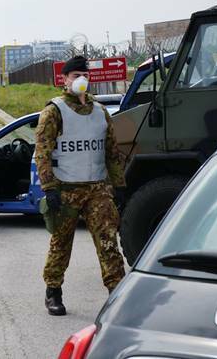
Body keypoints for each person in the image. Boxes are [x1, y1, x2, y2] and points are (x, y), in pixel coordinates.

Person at [34, 55, 126, 316]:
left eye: (84, 75)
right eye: (75, 76)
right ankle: (53, 291)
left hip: (97, 188)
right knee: (61, 242)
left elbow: (111, 151)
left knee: (108, 240)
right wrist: (49, 188)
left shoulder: (100, 111)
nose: (81, 80)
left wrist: (119, 184)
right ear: (64, 79)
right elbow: (42, 151)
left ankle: (116, 293)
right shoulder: (54, 111)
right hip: (66, 189)